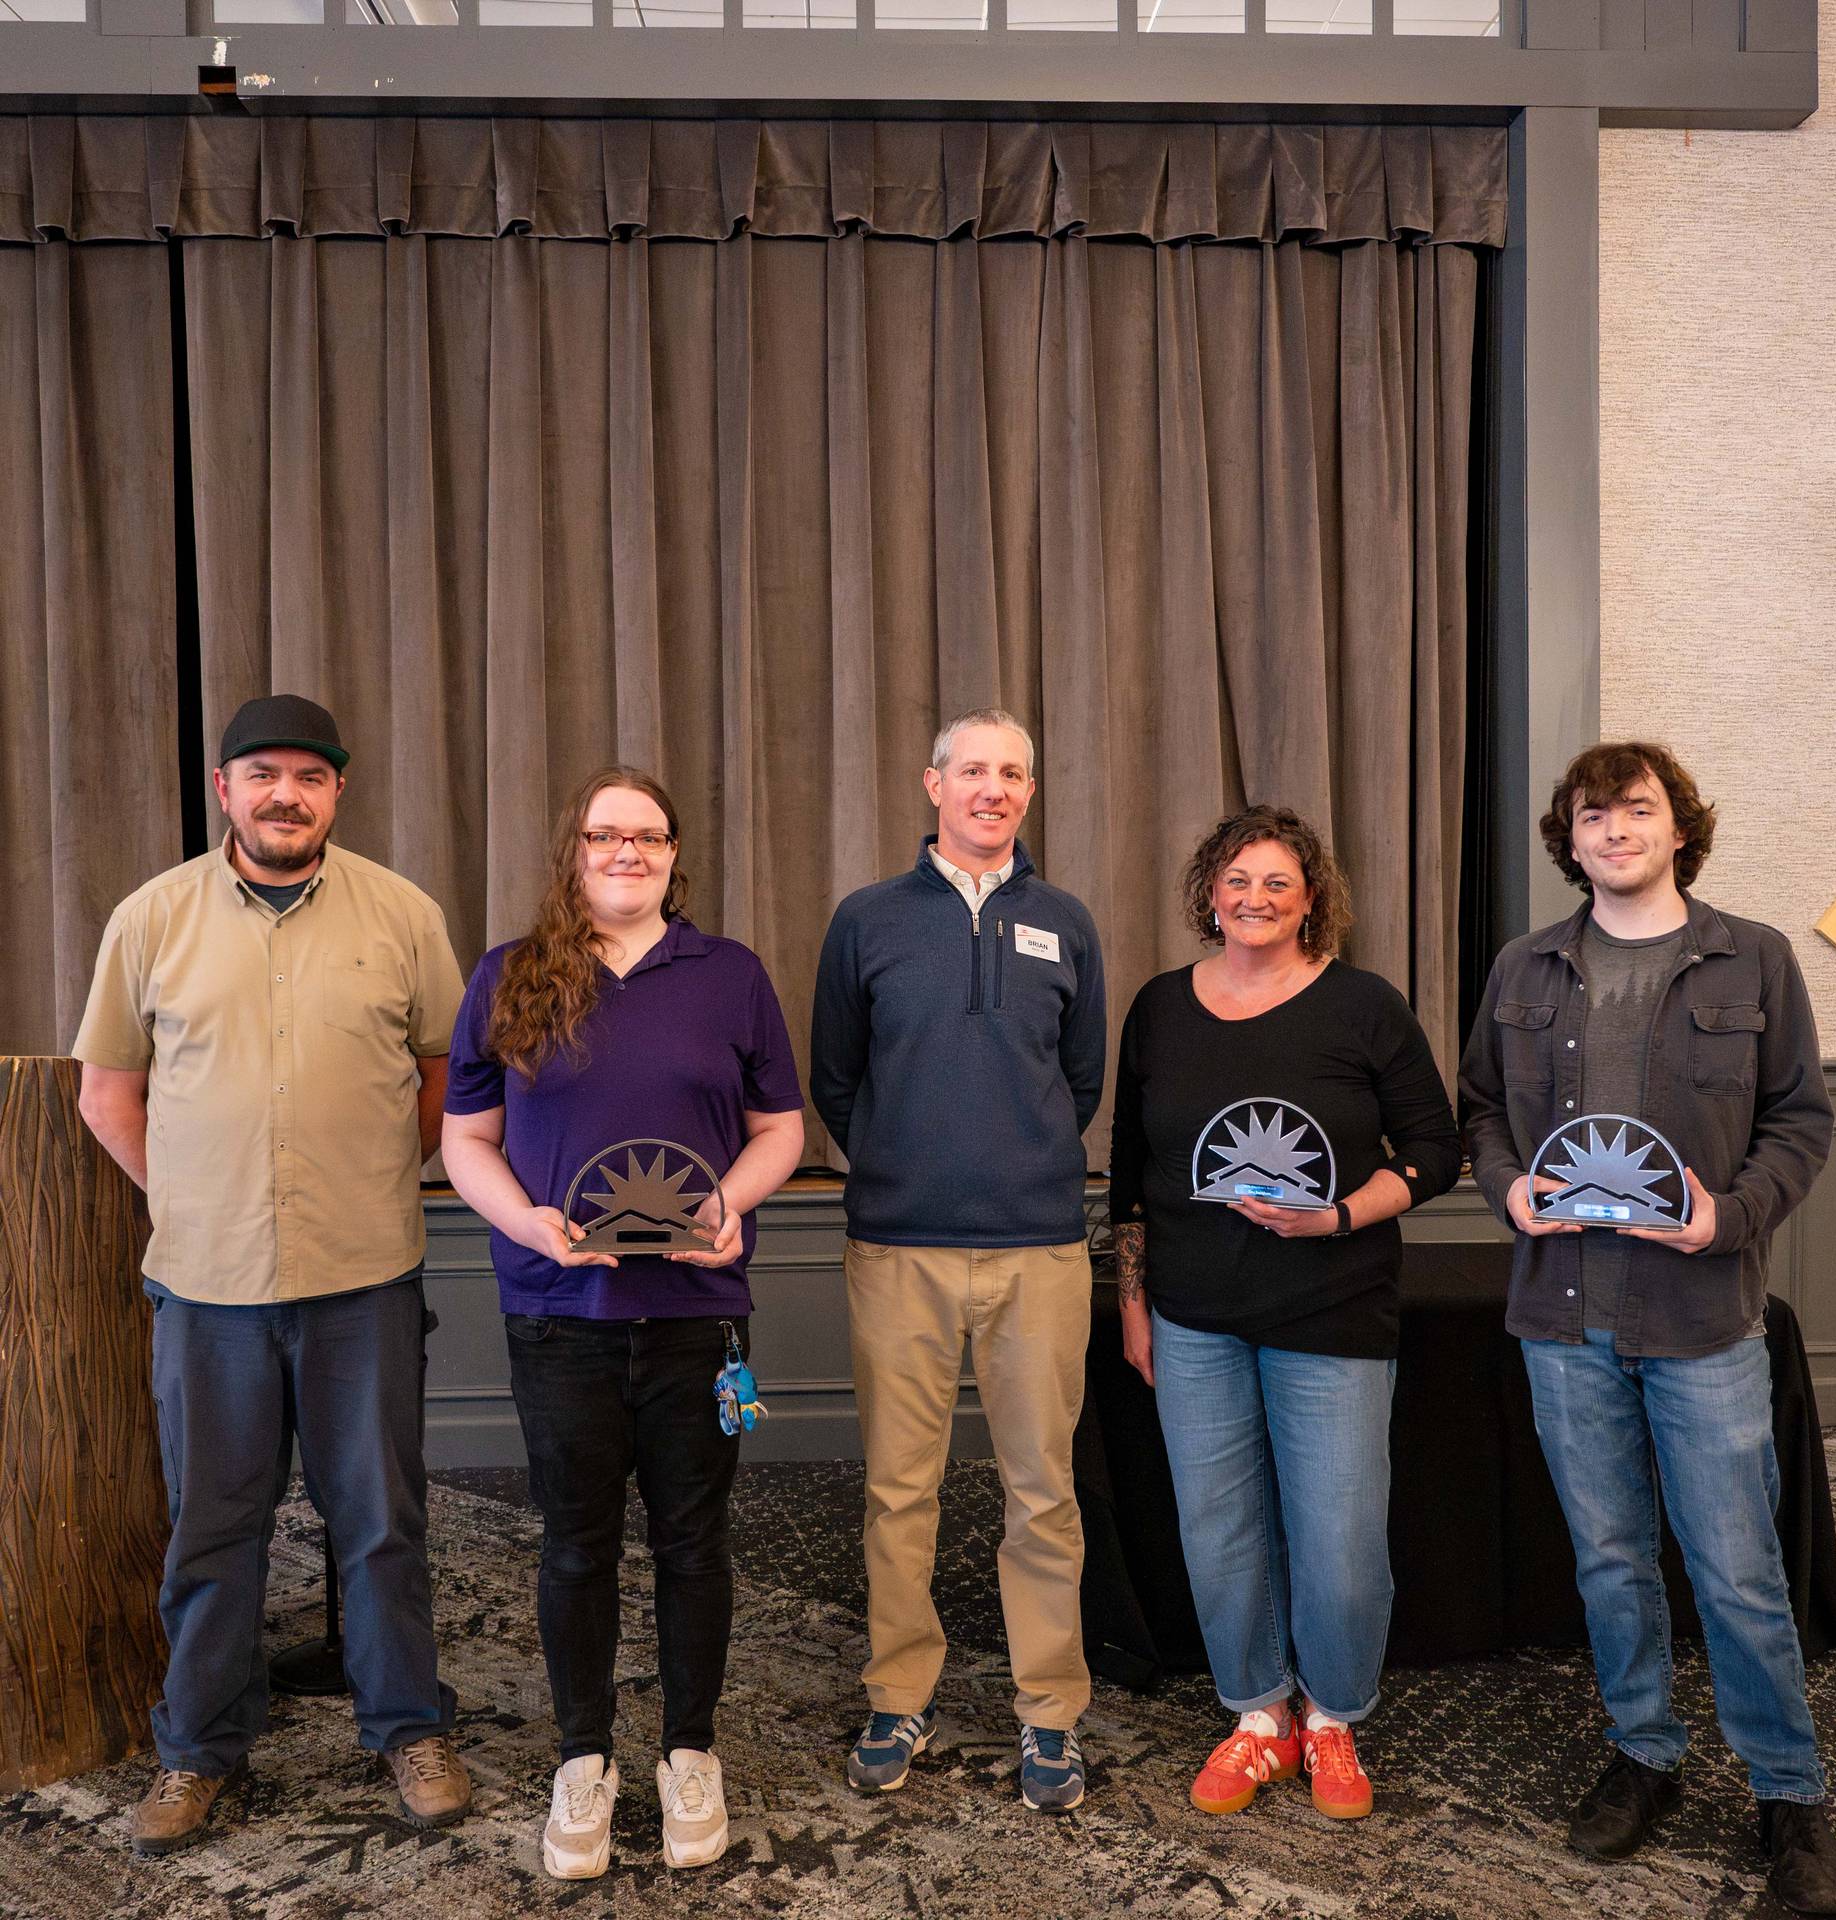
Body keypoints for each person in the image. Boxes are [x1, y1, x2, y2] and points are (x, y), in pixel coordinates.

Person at [1457, 741, 1836, 1916]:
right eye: (1591, 816)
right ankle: (1644, 1755)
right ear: (1568, 841)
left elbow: (1801, 1121)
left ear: (1678, 827)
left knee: (1738, 1572)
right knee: (1611, 1558)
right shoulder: (1524, 968)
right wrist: (1508, 1189)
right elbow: (1484, 1109)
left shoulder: (1757, 961)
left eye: (1637, 810)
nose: (1614, 830)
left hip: (1702, 1314)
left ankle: (1790, 1793)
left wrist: (1729, 1218)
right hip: (1561, 1312)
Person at [73, 694, 471, 1855]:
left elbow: (448, 1070)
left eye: (308, 775)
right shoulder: (151, 919)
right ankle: (197, 1748)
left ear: (337, 792)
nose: (285, 794)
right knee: (214, 1525)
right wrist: (194, 1194)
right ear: (224, 788)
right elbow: (108, 1094)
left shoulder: (401, 914)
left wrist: (377, 1172)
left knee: (382, 1520)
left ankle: (407, 1726)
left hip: (365, 1279)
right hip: (209, 1289)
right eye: (263, 775)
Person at [439, 767, 804, 1879]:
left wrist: (732, 1203)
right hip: (561, 1312)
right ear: (576, 852)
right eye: (606, 836)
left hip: (698, 1315)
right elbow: (465, 1141)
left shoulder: (728, 976)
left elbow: (779, 1128)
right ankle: (582, 1758)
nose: (627, 853)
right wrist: (529, 1225)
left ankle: (690, 1751)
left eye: (647, 836)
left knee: (696, 1543)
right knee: (575, 1544)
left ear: (672, 854)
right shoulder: (511, 975)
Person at [1109, 805, 1460, 1824]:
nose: (1254, 899)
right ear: (1208, 895)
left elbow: (1435, 1151)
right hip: (1192, 1315)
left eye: (1277, 882)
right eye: (1236, 880)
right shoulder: (1161, 1009)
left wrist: (1339, 1214)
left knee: (1340, 1536)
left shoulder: (1363, 1009)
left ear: (1313, 899)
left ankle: (1334, 1717)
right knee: (1220, 1532)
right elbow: (1133, 1171)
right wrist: (1134, 1303)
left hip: (1334, 1308)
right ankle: (1259, 1718)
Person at [810, 708, 1106, 1814]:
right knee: (900, 1491)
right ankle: (898, 1692)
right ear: (930, 782)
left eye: (1015, 771)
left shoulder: (1066, 922)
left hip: (1038, 1250)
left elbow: (1082, 1082)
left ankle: (1050, 1715)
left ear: (1031, 791)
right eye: (973, 769)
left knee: (1042, 1494)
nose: (995, 787)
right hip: (899, 1247)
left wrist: (1014, 1165)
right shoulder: (868, 921)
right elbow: (834, 1078)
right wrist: (902, 1159)